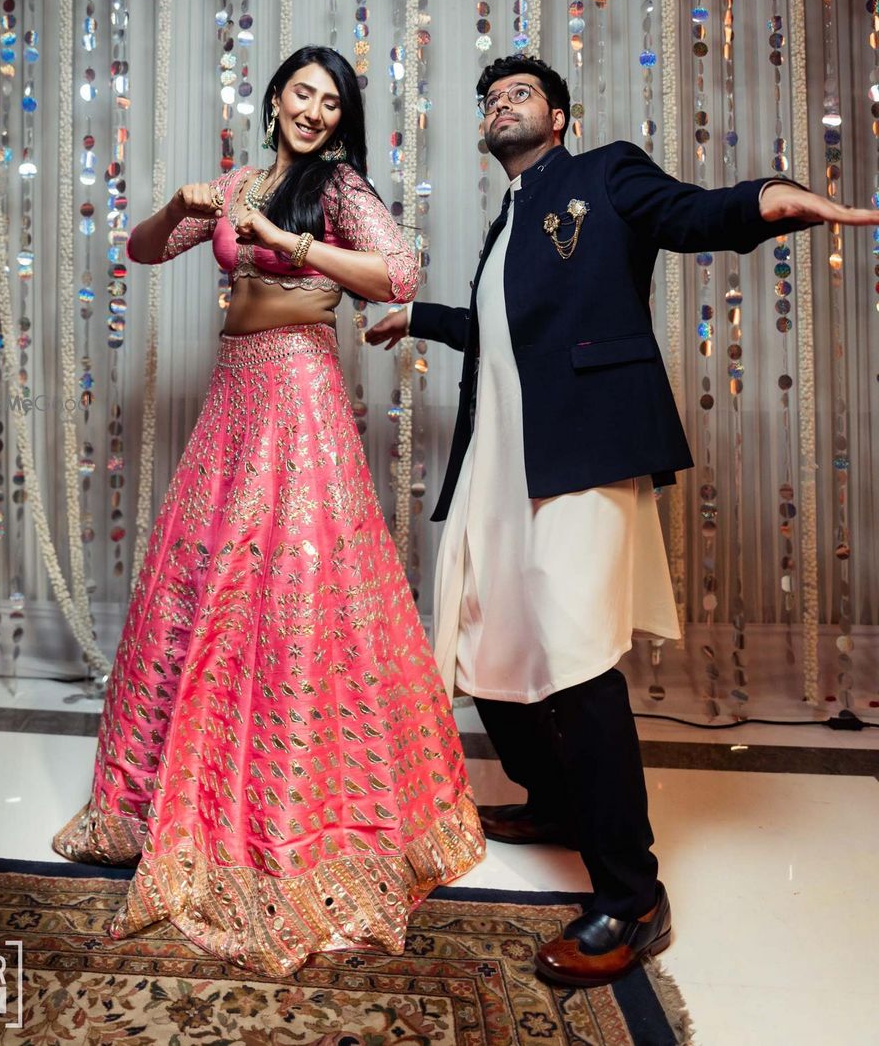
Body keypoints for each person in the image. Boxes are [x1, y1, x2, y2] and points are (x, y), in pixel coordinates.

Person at [365, 53, 879, 988]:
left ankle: (632, 897)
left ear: (557, 117)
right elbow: (509, 331)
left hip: (585, 456)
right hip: (502, 465)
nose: (500, 106)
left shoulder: (603, 173)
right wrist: (419, 318)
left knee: (571, 657)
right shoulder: (506, 225)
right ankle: (557, 799)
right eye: (489, 99)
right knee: (487, 640)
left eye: (518, 94)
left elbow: (692, 213)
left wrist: (770, 198)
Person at [53, 45, 485, 977]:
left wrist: (284, 239)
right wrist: (186, 202)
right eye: (303, 93)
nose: (315, 111)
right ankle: (164, 803)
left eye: (332, 101)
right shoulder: (244, 176)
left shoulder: (337, 186)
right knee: (208, 585)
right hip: (234, 395)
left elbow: (399, 272)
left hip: (297, 389)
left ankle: (289, 816)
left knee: (289, 589)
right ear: (276, 95)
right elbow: (141, 248)